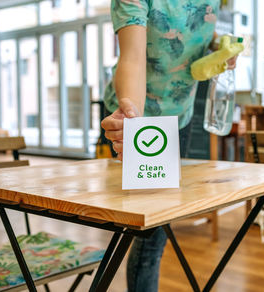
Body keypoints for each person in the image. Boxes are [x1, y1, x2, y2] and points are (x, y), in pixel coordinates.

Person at [101, 0, 237, 291]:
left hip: (179, 118)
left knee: (157, 231)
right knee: (138, 226)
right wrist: (133, 125)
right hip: (134, 118)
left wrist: (219, 51)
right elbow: (133, 59)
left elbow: (197, 34)